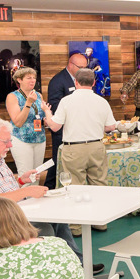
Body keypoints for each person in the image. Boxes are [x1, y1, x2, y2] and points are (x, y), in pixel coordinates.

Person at [0, 117, 99, 272]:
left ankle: (76, 265)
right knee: (45, 230)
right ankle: (53, 273)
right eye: (6, 142)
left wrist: (21, 181)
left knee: (58, 221)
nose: (9, 145)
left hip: (9, 217)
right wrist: (26, 191)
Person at [44, 68, 116, 235]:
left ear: (75, 82)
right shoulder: (102, 101)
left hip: (74, 147)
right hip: (97, 146)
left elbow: (55, 126)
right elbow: (111, 127)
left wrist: (47, 112)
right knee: (99, 184)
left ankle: (76, 227)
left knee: (75, 186)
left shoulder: (66, 101)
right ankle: (100, 223)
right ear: (93, 83)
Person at [46, 51, 88, 187]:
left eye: (85, 67)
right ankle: (50, 187)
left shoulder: (79, 79)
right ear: (70, 65)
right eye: (80, 67)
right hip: (61, 130)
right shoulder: (58, 81)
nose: (83, 71)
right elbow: (55, 105)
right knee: (58, 161)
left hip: (75, 130)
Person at [5, 67, 47, 178]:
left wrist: (46, 119)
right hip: (21, 139)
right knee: (26, 175)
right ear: (19, 80)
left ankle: (35, 195)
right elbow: (18, 122)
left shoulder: (38, 95)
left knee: (37, 175)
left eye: (34, 78)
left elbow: (41, 116)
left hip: (39, 138)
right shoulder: (13, 96)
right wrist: (28, 103)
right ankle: (24, 195)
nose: (33, 80)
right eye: (29, 78)